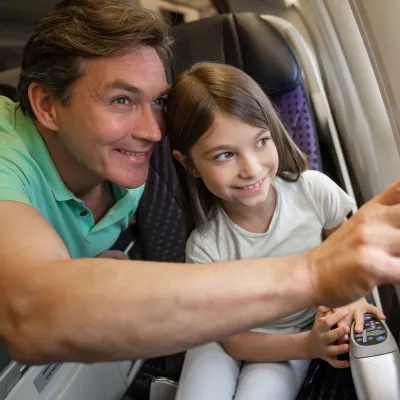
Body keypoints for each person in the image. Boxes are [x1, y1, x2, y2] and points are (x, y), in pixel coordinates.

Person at [0, 0, 400, 367]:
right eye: (121, 100)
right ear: (47, 105)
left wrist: (80, 269)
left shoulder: (117, 160)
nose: (154, 132)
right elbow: (32, 312)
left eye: (158, 101)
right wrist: (317, 274)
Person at [166, 62, 386, 400]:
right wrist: (307, 345)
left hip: (295, 338)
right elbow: (233, 340)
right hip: (224, 339)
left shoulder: (314, 192)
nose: (251, 169)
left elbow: (348, 258)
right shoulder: (205, 247)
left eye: (260, 142)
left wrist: (351, 303)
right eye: (225, 155)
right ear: (189, 163)